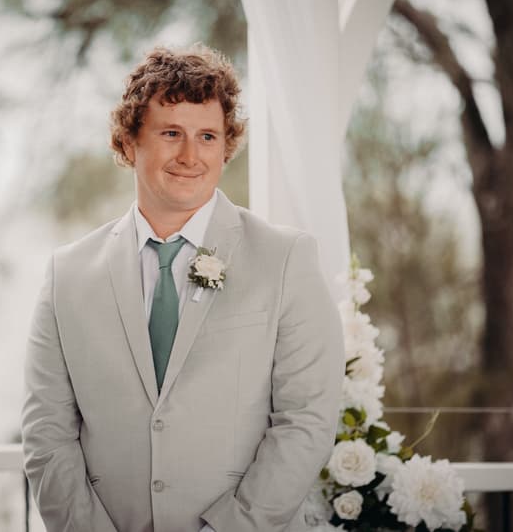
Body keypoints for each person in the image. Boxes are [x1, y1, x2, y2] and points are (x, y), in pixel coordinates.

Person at [21, 44, 344, 532]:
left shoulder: (285, 259)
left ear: (225, 146)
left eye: (208, 136)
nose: (191, 156)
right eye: (171, 133)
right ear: (129, 143)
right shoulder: (67, 274)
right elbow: (47, 434)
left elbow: (306, 421)